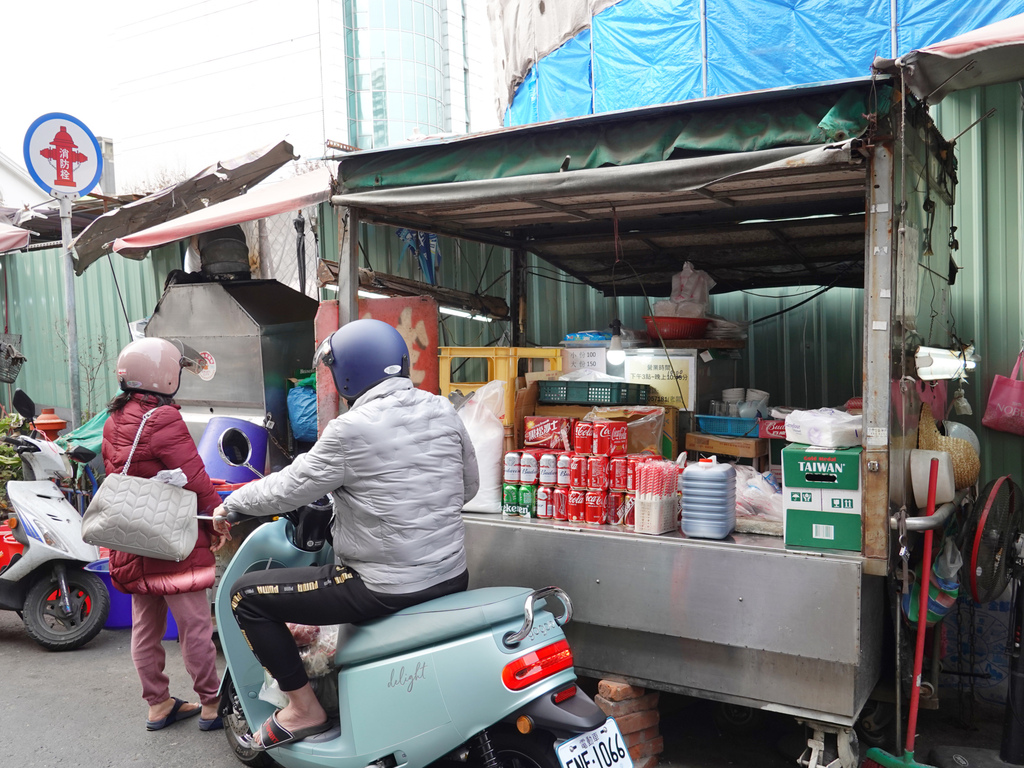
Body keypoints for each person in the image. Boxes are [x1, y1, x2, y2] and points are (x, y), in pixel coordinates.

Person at [212, 318, 479, 752]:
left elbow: (288, 487)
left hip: (385, 588)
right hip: (451, 576)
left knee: (246, 596)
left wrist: (231, 504)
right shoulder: (441, 409)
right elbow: (468, 487)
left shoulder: (350, 429)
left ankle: (303, 709)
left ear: (349, 372)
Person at [101, 337, 228, 732]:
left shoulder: (116, 417)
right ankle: (210, 702)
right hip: (171, 540)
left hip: (132, 538)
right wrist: (216, 518)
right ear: (166, 376)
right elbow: (194, 477)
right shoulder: (162, 419)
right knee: (195, 627)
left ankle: (157, 704)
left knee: (145, 628)